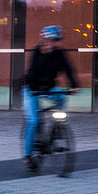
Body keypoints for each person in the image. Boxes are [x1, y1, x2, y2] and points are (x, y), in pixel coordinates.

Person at [22, 25, 78, 171]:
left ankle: (57, 125)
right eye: (51, 39)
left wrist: (74, 85)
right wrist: (44, 55)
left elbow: (68, 69)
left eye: (56, 40)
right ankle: (27, 155)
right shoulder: (37, 51)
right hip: (31, 89)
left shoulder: (59, 53)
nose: (54, 43)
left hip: (48, 88)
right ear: (44, 39)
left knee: (61, 96)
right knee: (34, 121)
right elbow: (33, 73)